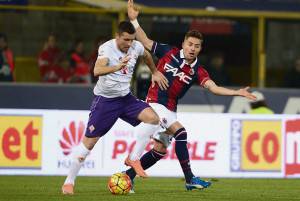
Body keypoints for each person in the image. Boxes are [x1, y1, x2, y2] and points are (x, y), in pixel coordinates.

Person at [125, 0, 257, 191]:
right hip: (154, 104)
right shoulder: (168, 52)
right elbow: (145, 41)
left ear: (200, 49)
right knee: (181, 133)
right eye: (190, 44)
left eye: (196, 46)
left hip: (170, 109)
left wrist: (236, 92)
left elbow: (213, 88)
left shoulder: (198, 71)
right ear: (183, 44)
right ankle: (190, 179)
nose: (192, 48)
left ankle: (126, 177)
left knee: (160, 150)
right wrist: (134, 21)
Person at [61, 21, 168, 195]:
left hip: (125, 98)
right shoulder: (107, 48)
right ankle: (69, 182)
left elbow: (147, 55)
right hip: (106, 102)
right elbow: (96, 70)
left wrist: (154, 72)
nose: (129, 44)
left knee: (154, 119)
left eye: (132, 40)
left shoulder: (135, 46)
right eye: (126, 40)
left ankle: (133, 159)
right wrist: (117, 67)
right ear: (117, 36)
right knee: (89, 144)